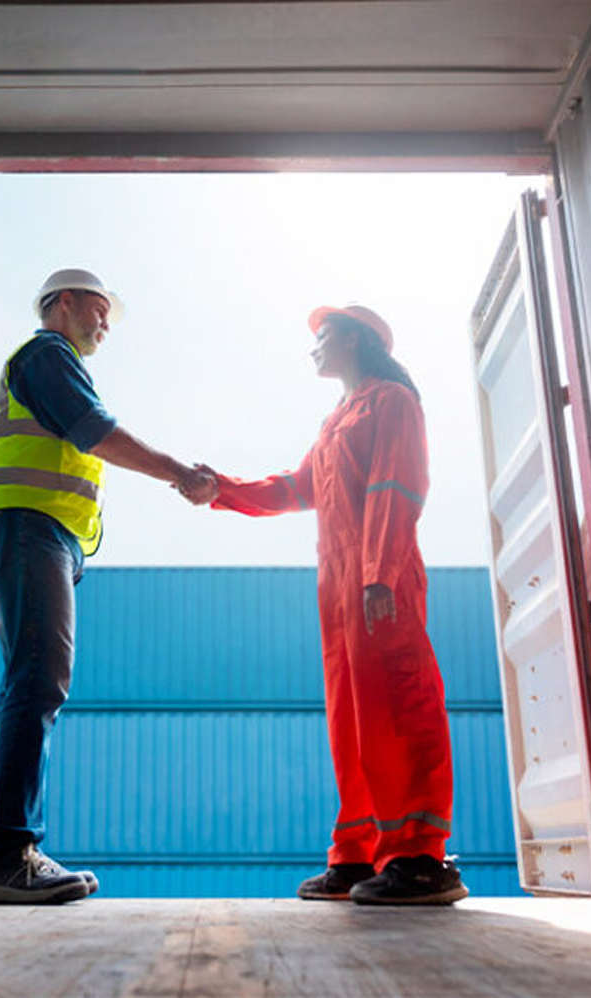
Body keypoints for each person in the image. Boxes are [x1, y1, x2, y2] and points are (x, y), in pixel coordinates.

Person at [186, 303, 468, 905]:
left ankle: (421, 856)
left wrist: (379, 574)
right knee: (352, 720)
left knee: (398, 707)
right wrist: (224, 489)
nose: (314, 343)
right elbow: (294, 488)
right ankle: (360, 853)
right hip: (338, 586)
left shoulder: (392, 401)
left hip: (377, 575)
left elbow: (399, 486)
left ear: (358, 340)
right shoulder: (336, 421)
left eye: (324, 333)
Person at [0, 268, 213, 904]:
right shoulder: (47, 354)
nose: (106, 324)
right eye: (100, 310)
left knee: (36, 676)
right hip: (28, 527)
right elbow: (94, 430)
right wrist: (178, 472)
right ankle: (9, 855)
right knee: (38, 677)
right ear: (65, 303)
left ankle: (11, 853)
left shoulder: (52, 361)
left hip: (40, 534)